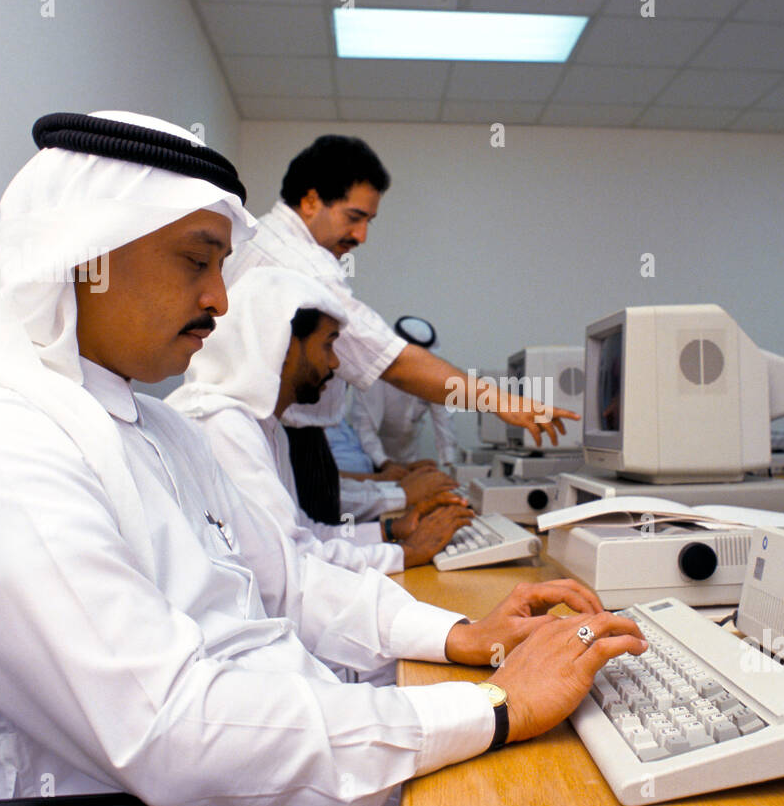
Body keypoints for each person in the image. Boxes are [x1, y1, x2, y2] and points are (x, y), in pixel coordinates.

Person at [0, 110, 644, 806]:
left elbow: (287, 581)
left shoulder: (150, 425)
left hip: (287, 757)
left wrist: (465, 635)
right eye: (196, 263)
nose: (222, 302)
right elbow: (174, 732)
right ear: (84, 254)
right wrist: (493, 708)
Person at [221, 135, 579, 521]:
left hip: (282, 437)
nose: (361, 236)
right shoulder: (301, 264)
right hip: (284, 437)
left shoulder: (263, 242)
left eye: (368, 222)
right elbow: (392, 362)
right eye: (354, 217)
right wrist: (501, 402)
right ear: (310, 201)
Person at [167, 270, 471, 573]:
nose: (334, 363)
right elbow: (289, 568)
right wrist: (407, 553)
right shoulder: (224, 426)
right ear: (282, 344)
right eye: (327, 344)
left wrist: (393, 531)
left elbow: (307, 533)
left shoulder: (266, 427)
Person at [347, 315, 463, 472]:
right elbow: (364, 428)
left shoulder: (430, 377)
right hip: (369, 459)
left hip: (409, 460)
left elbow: (444, 423)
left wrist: (449, 465)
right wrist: (385, 464)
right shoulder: (374, 376)